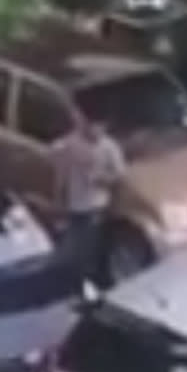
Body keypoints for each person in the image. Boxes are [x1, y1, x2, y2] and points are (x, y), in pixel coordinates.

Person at [52, 117, 127, 284]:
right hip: (76, 206)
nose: (97, 130)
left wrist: (101, 179)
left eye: (100, 126)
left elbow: (120, 176)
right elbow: (62, 176)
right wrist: (59, 200)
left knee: (92, 250)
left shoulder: (109, 147)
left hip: (97, 207)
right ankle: (81, 280)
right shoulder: (70, 145)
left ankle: (91, 281)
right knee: (79, 250)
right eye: (93, 125)